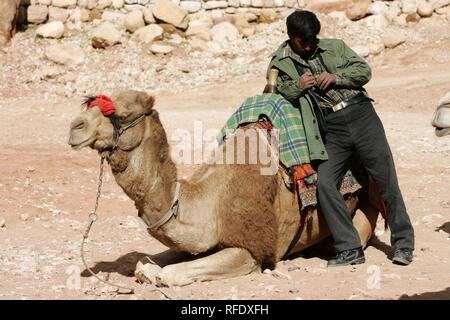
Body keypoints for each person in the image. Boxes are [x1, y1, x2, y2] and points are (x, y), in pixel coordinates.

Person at [267, 10, 415, 267]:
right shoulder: (280, 62)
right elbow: (276, 93)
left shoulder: (335, 47)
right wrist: (299, 85)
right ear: (291, 37)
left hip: (361, 115)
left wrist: (337, 77)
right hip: (331, 129)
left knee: (385, 178)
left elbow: (364, 71)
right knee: (324, 183)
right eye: (304, 42)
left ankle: (403, 244)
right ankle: (350, 248)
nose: (310, 45)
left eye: (313, 40)